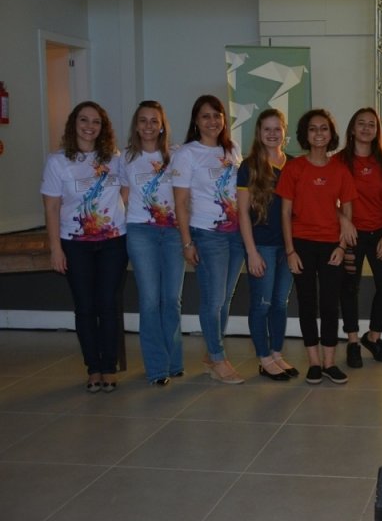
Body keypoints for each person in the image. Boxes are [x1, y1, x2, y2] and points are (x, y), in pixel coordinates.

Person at [41, 101, 128, 393]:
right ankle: (93, 368)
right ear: (73, 124)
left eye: (96, 122)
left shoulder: (114, 159)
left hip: (113, 243)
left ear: (103, 128)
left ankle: (109, 367)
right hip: (75, 245)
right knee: (86, 307)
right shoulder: (57, 162)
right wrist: (55, 248)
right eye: (83, 120)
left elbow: (126, 193)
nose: (89, 126)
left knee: (108, 304)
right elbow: (51, 208)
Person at [276, 109, 357, 385]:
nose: (319, 133)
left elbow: (347, 213)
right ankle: (313, 363)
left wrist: (342, 247)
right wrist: (290, 251)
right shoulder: (294, 168)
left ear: (331, 135)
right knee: (307, 303)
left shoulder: (340, 170)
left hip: (331, 246)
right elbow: (285, 214)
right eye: (313, 129)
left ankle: (330, 363)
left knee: (330, 305)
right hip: (301, 245)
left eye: (324, 129)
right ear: (305, 134)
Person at [172, 94, 245, 384]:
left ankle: (210, 355)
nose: (212, 121)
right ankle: (217, 358)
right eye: (205, 116)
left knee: (225, 298)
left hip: (236, 234)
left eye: (217, 115)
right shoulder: (186, 154)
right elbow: (180, 203)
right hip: (207, 234)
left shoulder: (232, 148)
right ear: (196, 121)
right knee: (213, 300)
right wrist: (187, 242)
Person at [121, 100, 184, 386]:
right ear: (136, 125)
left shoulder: (177, 155)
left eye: (154, 121)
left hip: (172, 232)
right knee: (149, 300)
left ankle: (174, 361)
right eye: (143, 120)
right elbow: (120, 198)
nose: (148, 126)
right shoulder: (124, 158)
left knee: (171, 299)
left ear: (162, 125)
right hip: (140, 232)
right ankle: (157, 368)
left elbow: (186, 197)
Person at [237, 109, 298, 382]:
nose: (272, 134)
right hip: (261, 246)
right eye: (267, 129)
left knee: (280, 304)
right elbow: (242, 214)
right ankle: (263, 358)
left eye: (277, 129)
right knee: (261, 304)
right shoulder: (248, 166)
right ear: (259, 133)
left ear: (285, 131)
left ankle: (276, 353)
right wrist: (251, 252)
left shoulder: (295, 164)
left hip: (288, 248)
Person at [336, 108, 382, 368]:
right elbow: (327, 199)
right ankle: (352, 342)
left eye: (372, 124)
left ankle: (373, 337)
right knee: (349, 288)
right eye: (361, 123)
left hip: (381, 234)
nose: (366, 128)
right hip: (351, 234)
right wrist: (343, 220)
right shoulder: (339, 160)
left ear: (377, 131)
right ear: (352, 128)